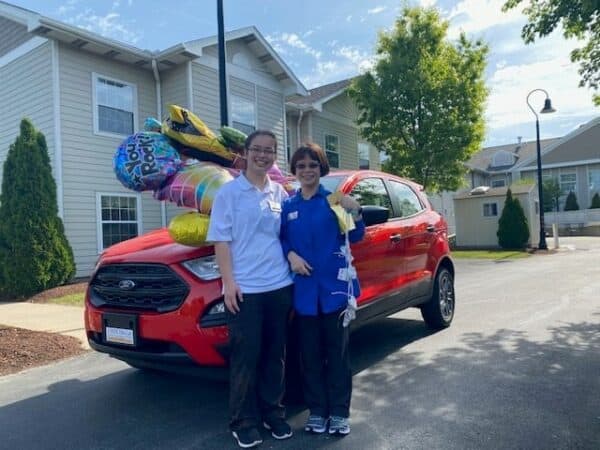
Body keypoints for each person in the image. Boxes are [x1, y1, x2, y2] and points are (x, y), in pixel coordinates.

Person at [207, 130, 294, 448]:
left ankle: (274, 413)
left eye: (269, 150)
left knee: (275, 356)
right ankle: (243, 420)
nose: (263, 155)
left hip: (279, 285)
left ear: (274, 155)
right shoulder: (229, 194)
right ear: (245, 153)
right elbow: (221, 240)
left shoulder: (279, 194)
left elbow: (287, 236)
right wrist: (228, 283)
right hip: (246, 290)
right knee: (246, 356)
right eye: (257, 149)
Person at [280, 143, 365, 436]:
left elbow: (356, 234)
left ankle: (339, 413)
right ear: (295, 170)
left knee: (337, 356)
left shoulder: (334, 201)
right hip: (304, 295)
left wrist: (357, 210)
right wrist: (290, 254)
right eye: (301, 166)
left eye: (312, 165)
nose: (307, 171)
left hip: (335, 292)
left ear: (321, 169)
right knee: (310, 357)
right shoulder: (289, 206)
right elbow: (281, 240)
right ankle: (317, 411)